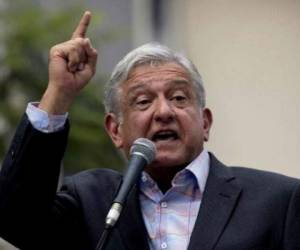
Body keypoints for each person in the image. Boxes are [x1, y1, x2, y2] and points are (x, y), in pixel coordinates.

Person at [0, 11, 299, 250]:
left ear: (205, 122)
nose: (164, 112)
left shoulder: (279, 202)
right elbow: (16, 221)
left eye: (179, 98)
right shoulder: (90, 201)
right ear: (115, 130)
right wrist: (59, 93)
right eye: (143, 102)